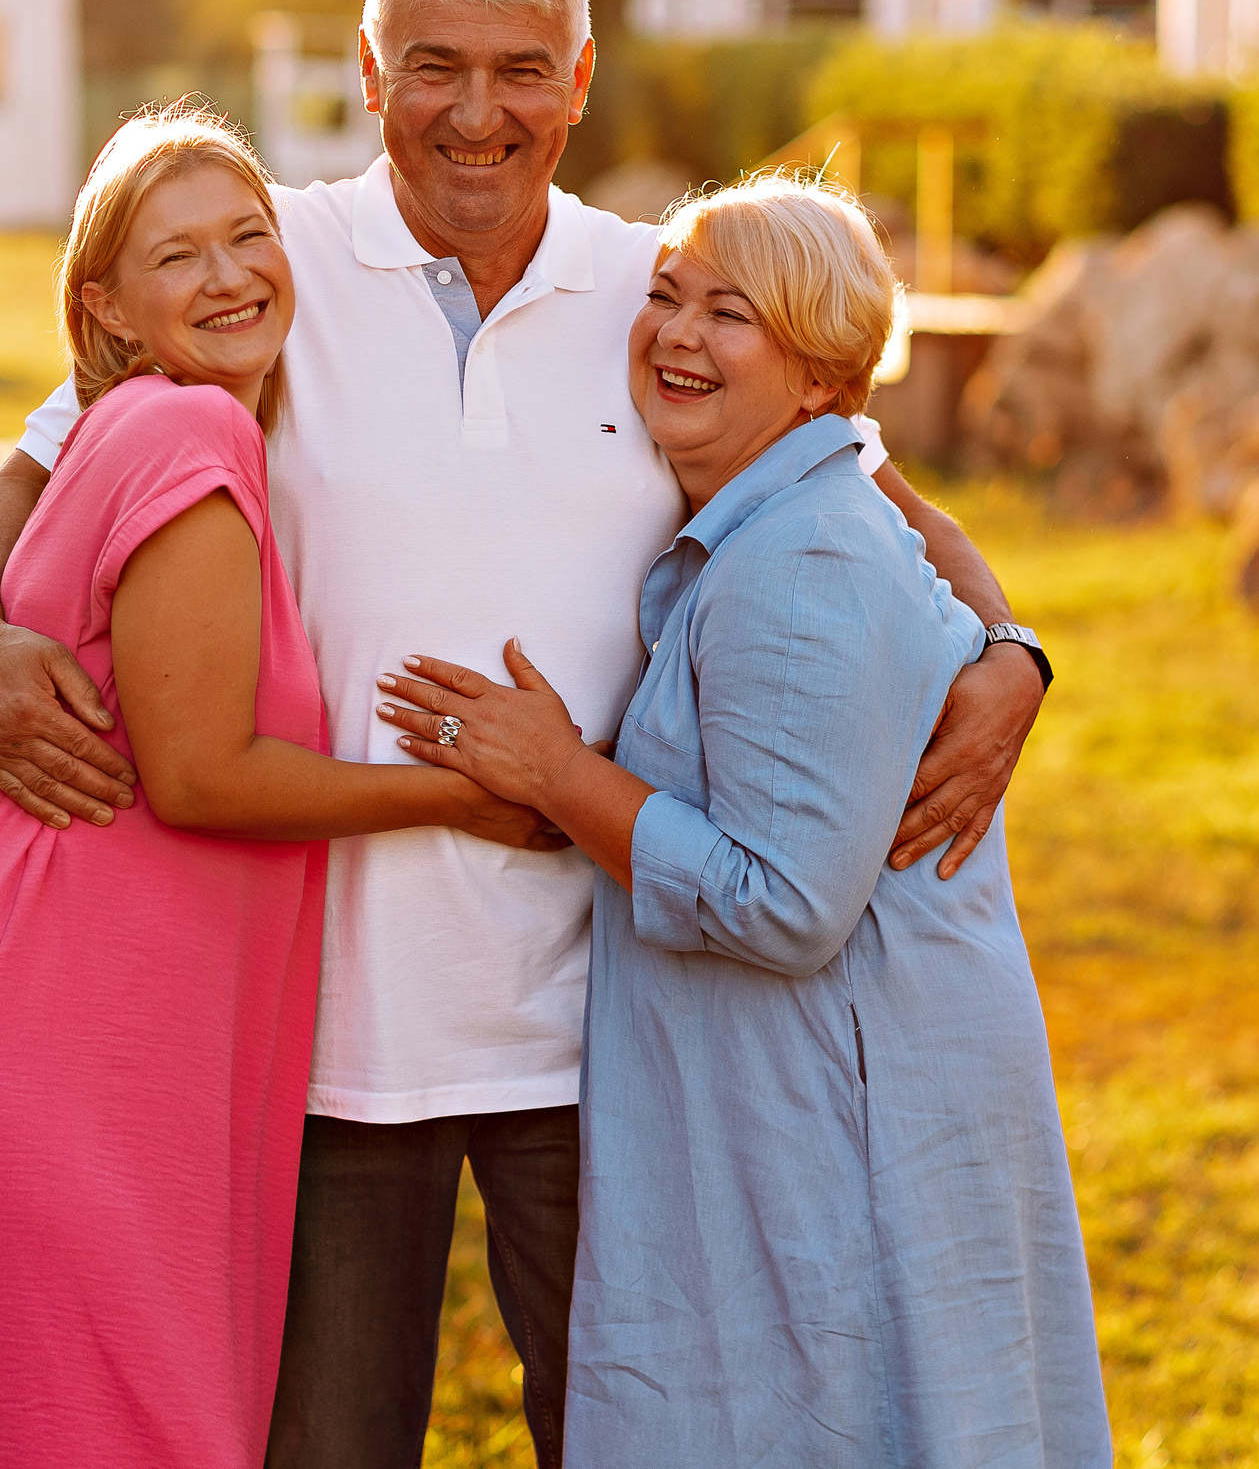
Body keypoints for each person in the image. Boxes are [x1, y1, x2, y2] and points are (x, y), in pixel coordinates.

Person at [0, 0, 1056, 1467]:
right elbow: (35, 465)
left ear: (580, 77)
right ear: (372, 75)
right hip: (323, 1020)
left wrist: (1012, 654)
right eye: (434, 67)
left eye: (521, 70)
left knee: (644, 1440)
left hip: (615, 1024)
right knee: (329, 1447)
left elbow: (875, 502)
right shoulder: (269, 262)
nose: (478, 114)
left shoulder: (654, 290)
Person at [0, 110, 562, 1469]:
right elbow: (206, 778)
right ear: (103, 304)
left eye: (247, 239)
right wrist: (460, 796)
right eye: (178, 257)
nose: (227, 279)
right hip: (48, 1039)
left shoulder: (126, 426)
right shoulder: (187, 434)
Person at [378, 175, 1109, 1466]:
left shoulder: (802, 560)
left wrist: (558, 774)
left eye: (732, 315)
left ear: (824, 380)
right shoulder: (777, 513)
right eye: (665, 297)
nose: (675, 333)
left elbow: (784, 903)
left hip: (849, 1096)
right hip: (831, 1078)